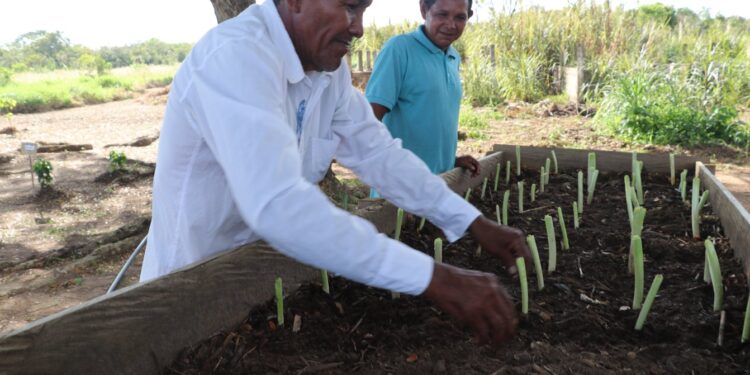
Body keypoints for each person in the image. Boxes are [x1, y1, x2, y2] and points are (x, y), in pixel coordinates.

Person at [139, 0, 530, 345]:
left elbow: (380, 156)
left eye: (363, 10)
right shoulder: (237, 57)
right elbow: (279, 204)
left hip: (262, 284)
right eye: (349, 6)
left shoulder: (328, 74)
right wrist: (435, 278)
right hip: (189, 295)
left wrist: (471, 220)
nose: (358, 27)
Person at [366, 0, 480, 187]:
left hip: (439, 184)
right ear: (424, 9)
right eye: (442, 14)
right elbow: (368, 119)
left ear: (469, 16)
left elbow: (431, 118)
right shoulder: (399, 49)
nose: (451, 25)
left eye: (460, 17)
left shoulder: (453, 57)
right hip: (402, 186)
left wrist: (451, 160)